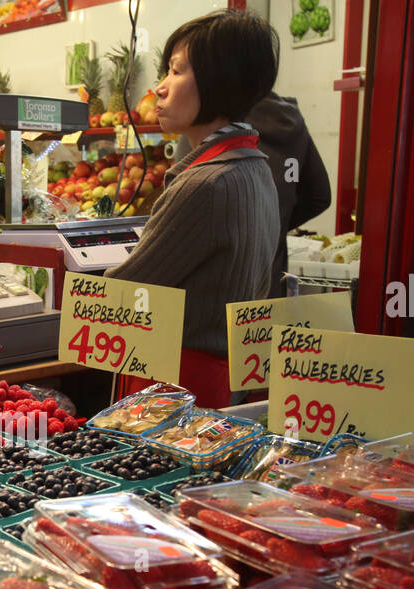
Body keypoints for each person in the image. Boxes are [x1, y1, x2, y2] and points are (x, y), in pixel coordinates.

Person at [104, 10, 280, 408]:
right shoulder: (255, 168)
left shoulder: (206, 183)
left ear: (220, 81)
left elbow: (124, 287)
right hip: (224, 377)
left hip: (175, 384)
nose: (161, 88)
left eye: (177, 71)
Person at [246, 93, 331, 298]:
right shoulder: (291, 120)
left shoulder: (211, 120)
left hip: (221, 294)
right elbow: (319, 195)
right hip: (271, 286)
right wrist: (275, 223)